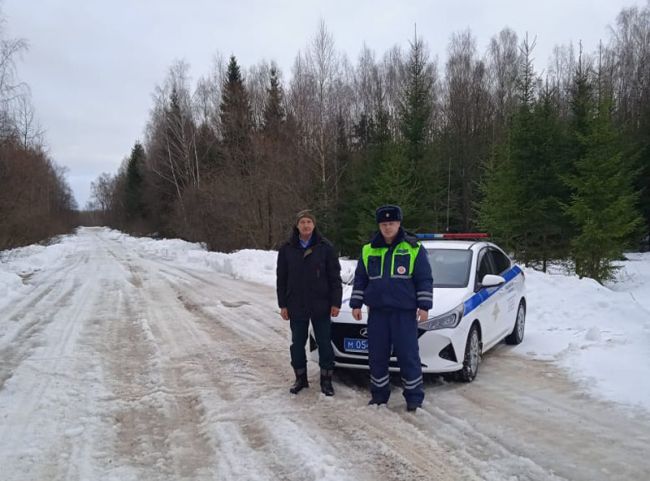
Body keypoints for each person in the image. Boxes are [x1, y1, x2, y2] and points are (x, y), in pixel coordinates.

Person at [350, 205, 433, 411]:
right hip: (377, 313)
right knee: (377, 356)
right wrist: (356, 303)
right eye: (384, 224)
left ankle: (414, 398)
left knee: (408, 356)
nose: (388, 227)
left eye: (392, 223)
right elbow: (361, 278)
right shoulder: (368, 249)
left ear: (399, 224)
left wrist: (424, 306)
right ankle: (379, 396)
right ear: (379, 225)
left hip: (403, 313)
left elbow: (424, 279)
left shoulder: (413, 248)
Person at [276, 210, 342, 396]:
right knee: (297, 344)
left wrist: (335, 302)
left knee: (324, 343)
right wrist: (283, 305)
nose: (306, 225)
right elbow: (281, 279)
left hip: (321, 304)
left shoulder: (325, 248)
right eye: (302, 222)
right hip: (296, 305)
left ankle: (326, 380)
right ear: (297, 225)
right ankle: (300, 378)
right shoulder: (287, 249)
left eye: (309, 222)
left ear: (314, 225)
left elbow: (334, 278)